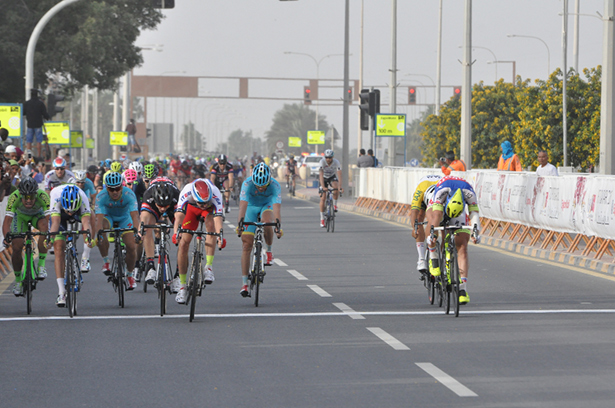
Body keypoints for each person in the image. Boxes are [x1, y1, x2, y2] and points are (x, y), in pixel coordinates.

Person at [425, 176, 481, 305]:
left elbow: (474, 214)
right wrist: (433, 234)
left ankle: (462, 289)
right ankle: (433, 256)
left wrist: (475, 232)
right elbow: (436, 216)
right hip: (439, 207)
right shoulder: (441, 192)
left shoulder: (469, 192)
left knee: (462, 247)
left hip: (458, 209)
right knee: (433, 230)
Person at [173, 178, 225, 304]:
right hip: (191, 209)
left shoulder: (215, 193)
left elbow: (218, 218)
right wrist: (176, 233)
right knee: (184, 243)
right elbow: (179, 216)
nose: (204, 205)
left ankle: (208, 267)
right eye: (201, 203)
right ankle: (182, 286)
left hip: (208, 213)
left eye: (206, 202)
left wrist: (220, 236)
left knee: (211, 226)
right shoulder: (186, 191)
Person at [236, 163, 283, 297]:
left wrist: (278, 226)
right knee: (246, 245)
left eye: (263, 186)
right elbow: (242, 207)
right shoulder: (247, 184)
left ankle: (268, 251)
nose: (261, 189)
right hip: (250, 207)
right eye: (258, 186)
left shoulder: (275, 185)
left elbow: (277, 209)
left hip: (266, 205)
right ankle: (244, 283)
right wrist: (240, 224)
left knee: (268, 222)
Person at [2, 177, 51, 296]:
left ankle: (41, 266)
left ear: (36, 194)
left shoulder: (43, 196)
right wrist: (7, 237)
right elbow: (7, 221)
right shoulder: (14, 197)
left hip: (37, 216)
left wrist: (47, 234)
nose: (28, 200)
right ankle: (18, 281)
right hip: (20, 218)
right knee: (17, 247)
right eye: (25, 197)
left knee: (44, 227)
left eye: (31, 197)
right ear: (20, 194)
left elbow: (49, 218)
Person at [47, 184, 94, 306]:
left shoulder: (82, 197)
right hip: (59, 216)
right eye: (68, 211)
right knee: (58, 247)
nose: (70, 213)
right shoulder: (56, 197)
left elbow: (86, 223)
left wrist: (89, 239)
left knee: (90, 220)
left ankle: (85, 257)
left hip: (80, 209)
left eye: (72, 211)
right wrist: (50, 240)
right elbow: (55, 223)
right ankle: (61, 291)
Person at [95, 172, 141, 290]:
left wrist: (137, 232)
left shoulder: (129, 194)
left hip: (125, 219)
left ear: (122, 186)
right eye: (111, 189)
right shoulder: (101, 196)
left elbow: (135, 216)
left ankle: (130, 275)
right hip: (108, 218)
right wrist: (98, 234)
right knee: (101, 231)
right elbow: (99, 220)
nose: (115, 192)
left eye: (118, 188)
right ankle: (106, 261)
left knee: (131, 246)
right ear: (107, 188)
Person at [142, 181, 180, 285]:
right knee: (146, 228)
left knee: (183, 234)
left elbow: (179, 218)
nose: (163, 209)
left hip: (173, 207)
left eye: (165, 206)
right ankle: (150, 267)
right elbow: (144, 217)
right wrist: (140, 231)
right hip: (154, 208)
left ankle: (179, 274)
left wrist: (177, 232)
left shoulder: (177, 196)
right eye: (160, 206)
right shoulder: (148, 195)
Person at [409, 174, 441, 273]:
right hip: (425, 191)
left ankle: (446, 255)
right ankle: (421, 258)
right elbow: (414, 211)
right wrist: (415, 229)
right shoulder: (421, 189)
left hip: (440, 195)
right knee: (419, 218)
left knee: (443, 219)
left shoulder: (443, 188)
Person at [72, 170, 97, 273]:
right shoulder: (70, 182)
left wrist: (93, 205)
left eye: (82, 182)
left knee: (91, 217)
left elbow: (94, 195)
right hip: (71, 202)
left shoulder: (89, 183)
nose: (81, 184)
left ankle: (85, 256)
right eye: (78, 182)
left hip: (84, 201)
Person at [318, 149, 343, 228]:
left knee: (335, 187)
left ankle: (334, 205)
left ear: (333, 157)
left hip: (332, 177)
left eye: (330, 158)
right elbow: (321, 175)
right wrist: (323, 187)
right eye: (327, 157)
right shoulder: (322, 162)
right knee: (323, 198)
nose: (328, 159)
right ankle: (322, 219)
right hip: (323, 178)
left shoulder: (336, 162)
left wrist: (340, 187)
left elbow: (339, 175)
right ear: (325, 157)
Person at [23, 89, 50, 159]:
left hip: (30, 124)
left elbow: (23, 113)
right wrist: (47, 117)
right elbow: (44, 113)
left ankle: (29, 155)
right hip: (38, 124)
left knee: (29, 141)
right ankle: (39, 155)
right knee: (39, 141)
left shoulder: (26, 103)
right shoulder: (40, 103)